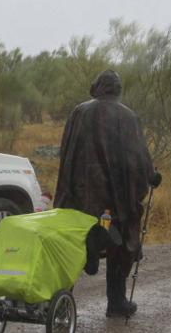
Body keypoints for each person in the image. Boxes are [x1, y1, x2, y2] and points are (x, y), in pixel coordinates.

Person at [54, 70, 159, 318]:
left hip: (76, 198)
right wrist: (150, 176)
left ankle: (60, 307)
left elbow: (65, 153)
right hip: (114, 202)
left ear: (97, 88)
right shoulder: (128, 116)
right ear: (118, 90)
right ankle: (116, 301)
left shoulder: (79, 112)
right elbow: (138, 156)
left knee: (70, 246)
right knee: (119, 244)